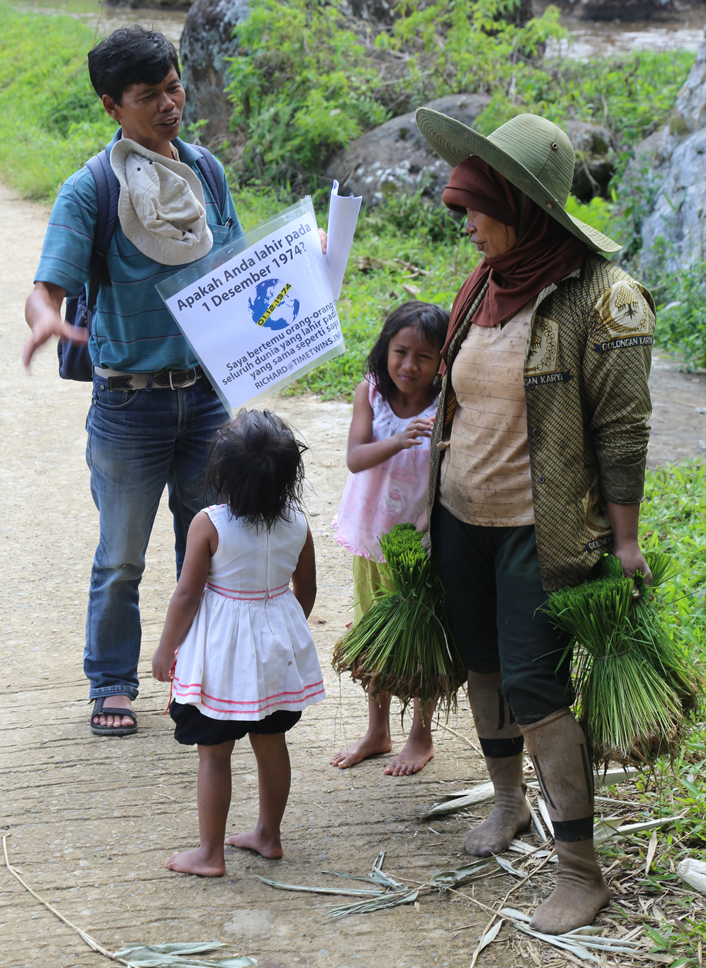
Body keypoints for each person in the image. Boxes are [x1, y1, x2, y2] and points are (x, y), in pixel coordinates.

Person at [23, 27, 325, 736]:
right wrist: (45, 318)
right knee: (121, 556)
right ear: (111, 106)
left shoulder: (206, 172)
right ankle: (112, 683)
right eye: (148, 95)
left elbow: (238, 272)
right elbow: (48, 288)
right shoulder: (91, 190)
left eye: (174, 86)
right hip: (129, 404)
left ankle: (200, 676)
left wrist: (304, 258)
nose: (170, 103)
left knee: (215, 542)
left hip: (208, 396)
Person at [415, 109, 655, 934]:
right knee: (482, 662)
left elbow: (623, 433)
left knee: (537, 688)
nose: (467, 224)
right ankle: (508, 802)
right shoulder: (485, 282)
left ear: (520, 206)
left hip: (538, 529)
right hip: (460, 518)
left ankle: (581, 870)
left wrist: (623, 544)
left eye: (477, 209)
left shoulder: (603, 300)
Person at [152, 410, 323, 876]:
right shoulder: (298, 524)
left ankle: (209, 854)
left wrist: (166, 649)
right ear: (289, 477)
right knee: (272, 745)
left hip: (220, 658)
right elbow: (305, 591)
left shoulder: (209, 523)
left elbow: (187, 594)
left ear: (221, 473)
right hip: (274, 656)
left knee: (215, 754)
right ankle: (269, 835)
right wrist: (284, 632)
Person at [330, 302, 450, 776]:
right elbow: (356, 457)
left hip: (419, 544)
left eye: (424, 356)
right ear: (385, 350)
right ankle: (377, 731)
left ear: (443, 361)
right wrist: (400, 438)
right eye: (400, 351)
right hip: (370, 536)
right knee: (372, 632)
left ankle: (421, 734)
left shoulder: (447, 404)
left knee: (420, 634)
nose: (409, 365)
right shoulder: (371, 393)